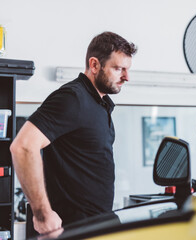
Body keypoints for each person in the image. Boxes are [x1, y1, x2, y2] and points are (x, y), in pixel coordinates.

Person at [10, 31, 137, 235]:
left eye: (127, 69)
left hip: (97, 225)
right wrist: (42, 214)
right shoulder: (73, 98)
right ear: (94, 65)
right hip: (72, 229)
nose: (126, 77)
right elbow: (23, 147)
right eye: (118, 68)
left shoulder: (100, 104)